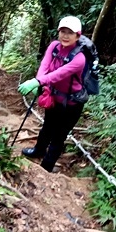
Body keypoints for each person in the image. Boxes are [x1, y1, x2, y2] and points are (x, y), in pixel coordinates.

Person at [18, 16, 87, 173]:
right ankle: (38, 151)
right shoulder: (54, 46)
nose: (65, 35)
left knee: (59, 135)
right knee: (47, 127)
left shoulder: (79, 58)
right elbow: (45, 65)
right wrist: (39, 81)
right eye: (63, 31)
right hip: (55, 98)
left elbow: (59, 74)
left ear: (78, 35)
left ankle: (46, 167)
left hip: (72, 104)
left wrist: (38, 82)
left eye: (70, 32)